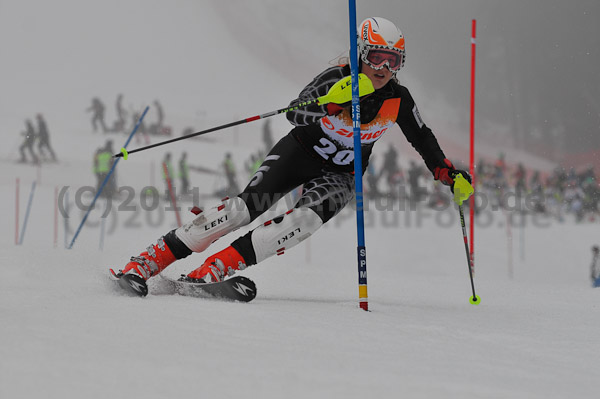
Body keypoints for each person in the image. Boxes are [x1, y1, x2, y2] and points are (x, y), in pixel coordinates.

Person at [112, 17, 472, 293]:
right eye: (377, 57)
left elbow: (422, 138)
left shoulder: (399, 99)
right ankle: (148, 261)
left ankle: (213, 271)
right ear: (362, 52)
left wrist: (447, 173)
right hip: (299, 151)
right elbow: (294, 113)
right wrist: (332, 103)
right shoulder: (337, 76)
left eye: (394, 61)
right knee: (241, 211)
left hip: (342, 174)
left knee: (302, 222)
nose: (384, 69)